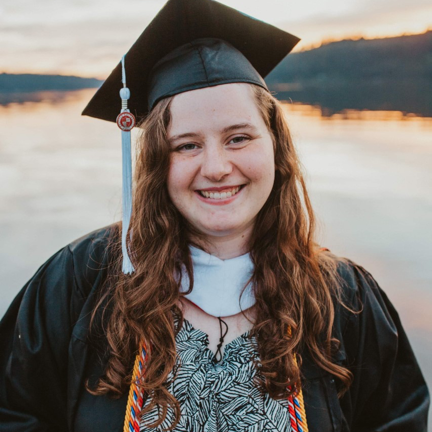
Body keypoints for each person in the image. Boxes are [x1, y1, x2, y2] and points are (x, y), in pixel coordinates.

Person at [0, 0, 429, 431]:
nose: (217, 167)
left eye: (239, 138)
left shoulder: (343, 299)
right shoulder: (79, 281)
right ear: (155, 162)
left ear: (276, 146)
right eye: (187, 145)